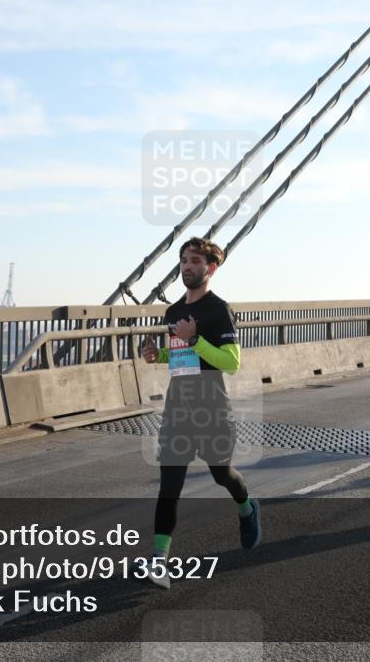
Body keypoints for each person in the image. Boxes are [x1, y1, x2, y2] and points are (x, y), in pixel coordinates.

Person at [138, 236, 261, 589]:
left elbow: (231, 363)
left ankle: (247, 506)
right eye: (183, 261)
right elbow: (184, 361)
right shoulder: (173, 312)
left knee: (222, 474)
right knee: (169, 486)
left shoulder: (218, 310)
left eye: (194, 261)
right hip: (179, 409)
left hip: (212, 409)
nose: (187, 267)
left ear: (211, 268)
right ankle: (159, 561)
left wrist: (195, 339)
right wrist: (158, 356)